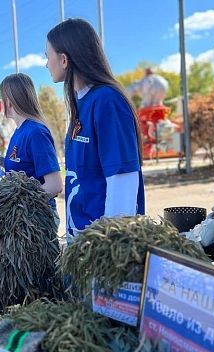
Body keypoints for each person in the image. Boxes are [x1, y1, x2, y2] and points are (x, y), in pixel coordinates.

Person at [46, 18, 145, 239]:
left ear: (63, 59)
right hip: (82, 243)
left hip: (102, 250)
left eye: (47, 56)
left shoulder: (107, 101)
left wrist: (108, 248)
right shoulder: (81, 103)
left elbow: (123, 179)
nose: (46, 64)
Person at [0, 73, 62, 212]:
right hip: (22, 215)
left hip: (36, 221)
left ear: (10, 101)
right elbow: (25, 166)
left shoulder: (36, 132)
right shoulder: (19, 131)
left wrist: (17, 201)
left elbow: (54, 186)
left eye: (2, 98)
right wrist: (1, 160)